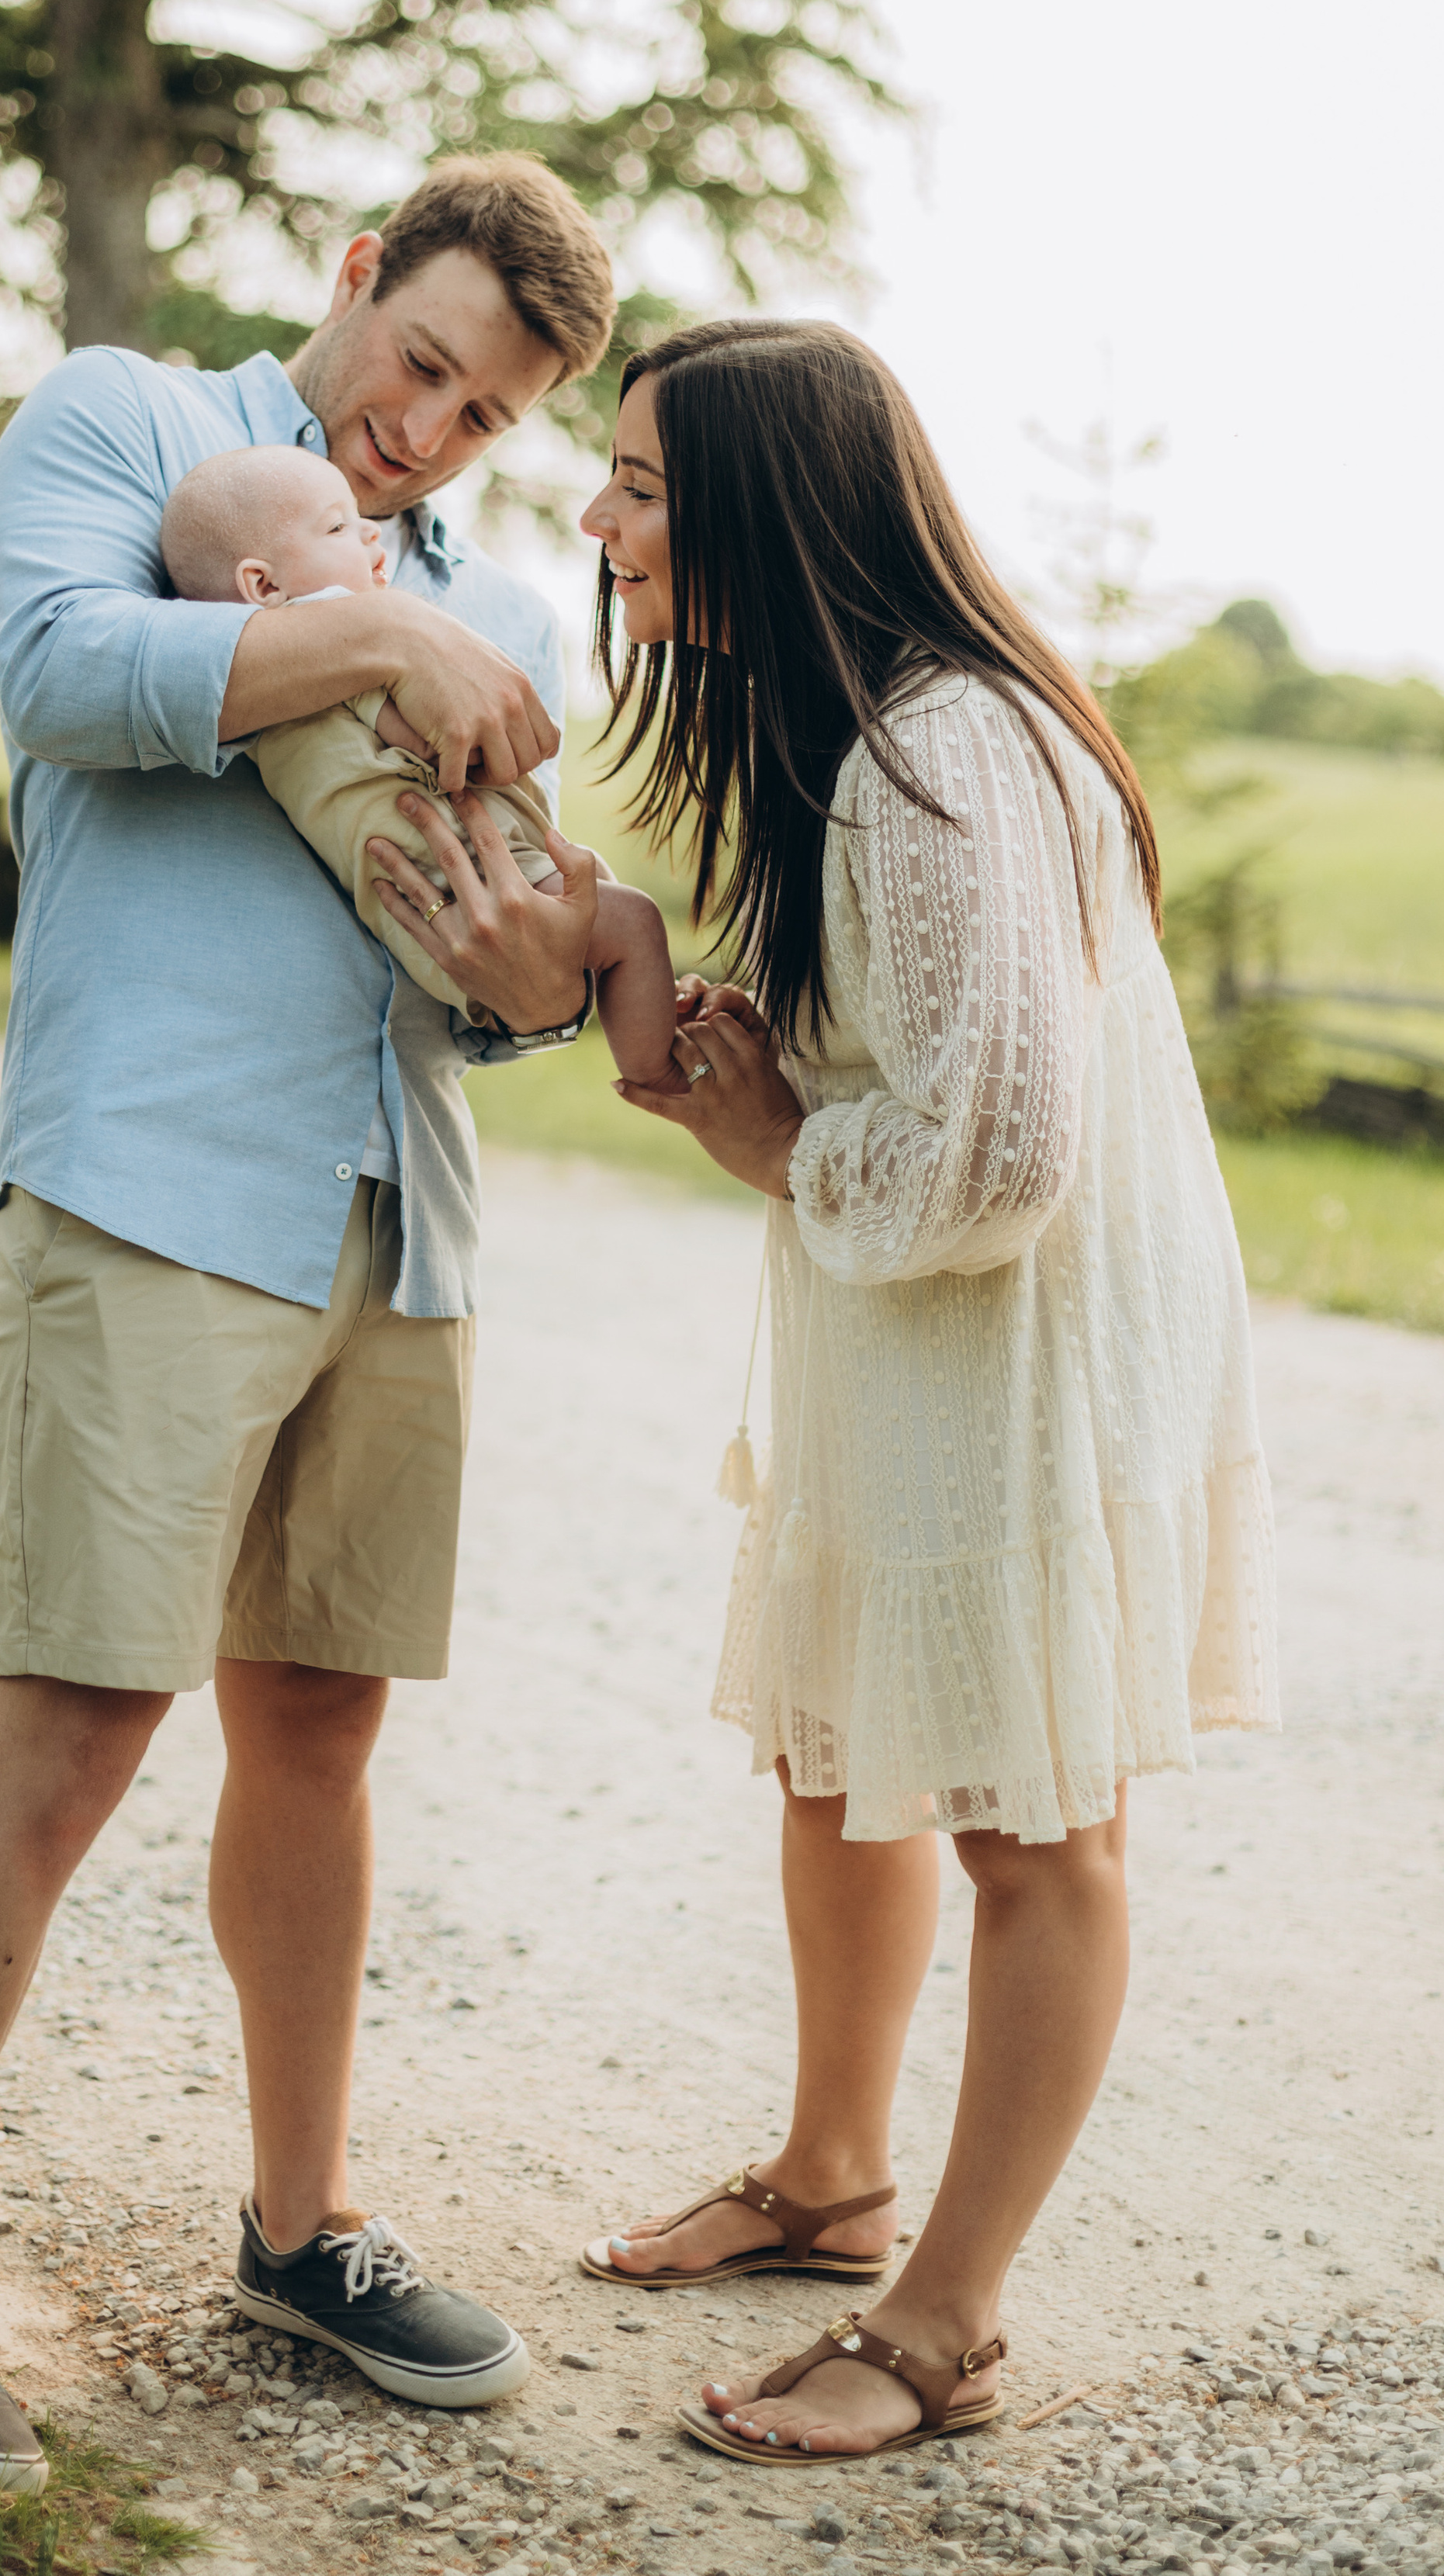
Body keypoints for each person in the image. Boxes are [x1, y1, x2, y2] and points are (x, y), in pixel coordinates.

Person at [0, 154, 612, 2488]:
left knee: (323, 1733)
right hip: (151, 1186)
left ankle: (300, 2218)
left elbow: (502, 980)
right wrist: (370, 637)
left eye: (481, 417)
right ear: (353, 276)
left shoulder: (506, 608)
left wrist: (545, 981)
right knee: (61, 1729)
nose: (426, 435)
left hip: (398, 1217)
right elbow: (61, 675)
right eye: (419, 363)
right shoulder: (130, 425)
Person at [421, 316, 1276, 2467]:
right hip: (909, 1329)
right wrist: (699, 1027)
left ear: (759, 510)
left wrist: (780, 1145)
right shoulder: (850, 735)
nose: (602, 522)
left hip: (1020, 1344)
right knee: (840, 1755)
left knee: (1031, 1826)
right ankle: (833, 2177)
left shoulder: (942, 753)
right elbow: (908, 1065)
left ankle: (950, 2323)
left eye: (637, 484)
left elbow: (1001, 1151)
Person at [158, 441, 683, 1087]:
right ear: (264, 586)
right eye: (338, 526)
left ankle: (663, 1028)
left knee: (605, 901)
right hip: (470, 891)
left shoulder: (264, 700)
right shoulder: (341, 638)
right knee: (635, 920)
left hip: (438, 912)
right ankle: (664, 1074)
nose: (368, 529)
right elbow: (449, 746)